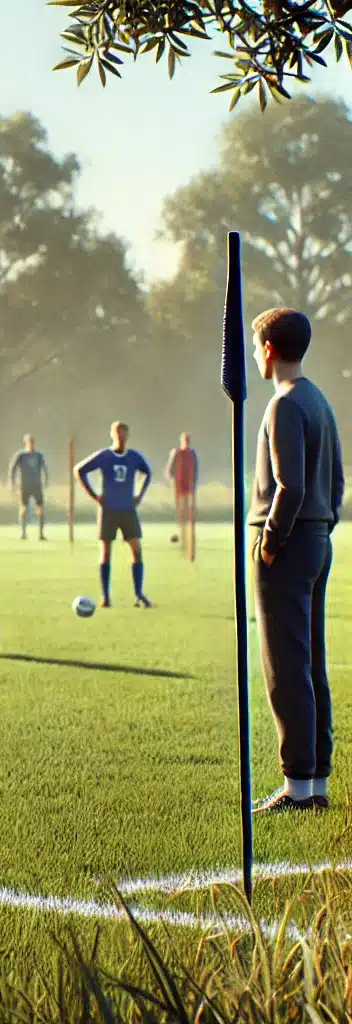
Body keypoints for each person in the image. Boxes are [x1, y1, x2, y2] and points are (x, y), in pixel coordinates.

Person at [247, 308, 344, 815]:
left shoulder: (283, 404)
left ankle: (297, 788)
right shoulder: (319, 400)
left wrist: (270, 538)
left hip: (287, 542)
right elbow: (338, 484)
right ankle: (316, 780)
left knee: (285, 666)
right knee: (311, 663)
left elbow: (291, 484)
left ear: (268, 349)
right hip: (319, 538)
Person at [74, 422, 153, 609]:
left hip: (128, 510)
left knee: (136, 550)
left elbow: (148, 473)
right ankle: (105, 596)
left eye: (124, 433)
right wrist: (94, 496)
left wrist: (139, 496)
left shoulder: (133, 457)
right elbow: (79, 471)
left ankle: (138, 594)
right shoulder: (105, 456)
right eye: (117, 433)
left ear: (128, 435)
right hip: (108, 510)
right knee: (106, 553)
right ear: (112, 435)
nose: (121, 436)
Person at [9, 435, 49, 541]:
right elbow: (13, 470)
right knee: (23, 508)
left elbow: (44, 468)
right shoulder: (21, 455)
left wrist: (46, 481)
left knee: (40, 509)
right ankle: (23, 532)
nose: (31, 444)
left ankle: (41, 534)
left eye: (32, 442)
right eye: (29, 442)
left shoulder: (38, 455)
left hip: (36, 485)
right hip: (24, 486)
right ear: (25, 443)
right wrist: (12, 483)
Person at [165, 433, 198, 544]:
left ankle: (190, 536)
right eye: (185, 440)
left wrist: (194, 483)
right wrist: (172, 480)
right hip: (179, 487)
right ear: (181, 441)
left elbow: (195, 469)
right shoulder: (176, 453)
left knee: (190, 512)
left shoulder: (192, 454)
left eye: (188, 440)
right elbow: (169, 470)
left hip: (189, 487)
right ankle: (182, 534)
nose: (187, 442)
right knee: (182, 511)